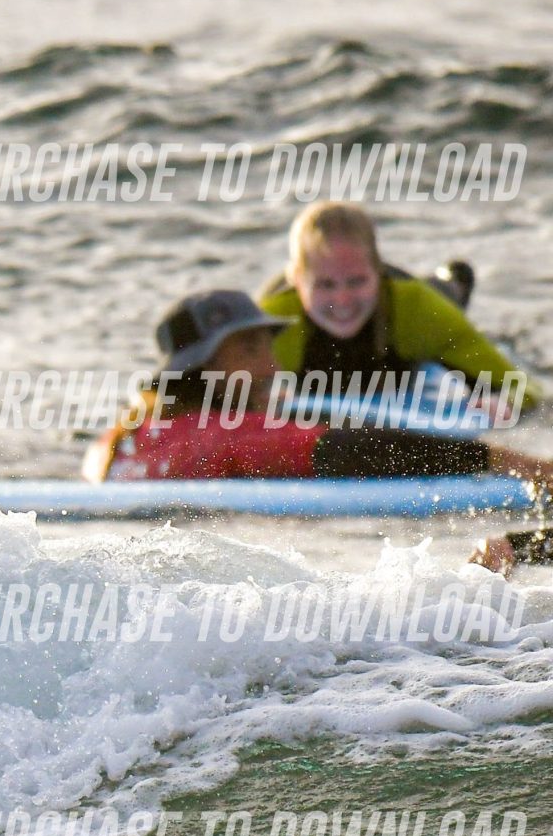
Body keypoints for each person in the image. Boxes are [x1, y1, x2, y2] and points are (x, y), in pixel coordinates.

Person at [87, 289, 553, 570]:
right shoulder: (228, 433)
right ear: (202, 370)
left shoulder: (139, 429)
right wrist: (505, 460)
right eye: (250, 349)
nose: (272, 365)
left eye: (268, 346)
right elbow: (348, 450)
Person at [255, 201, 539, 416]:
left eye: (357, 281)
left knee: (443, 297)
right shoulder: (270, 323)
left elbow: (526, 389)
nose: (342, 300)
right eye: (325, 285)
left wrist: (506, 404)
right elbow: (229, 397)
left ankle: (452, 282)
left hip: (413, 297)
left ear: (378, 272)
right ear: (296, 281)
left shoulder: (416, 310)